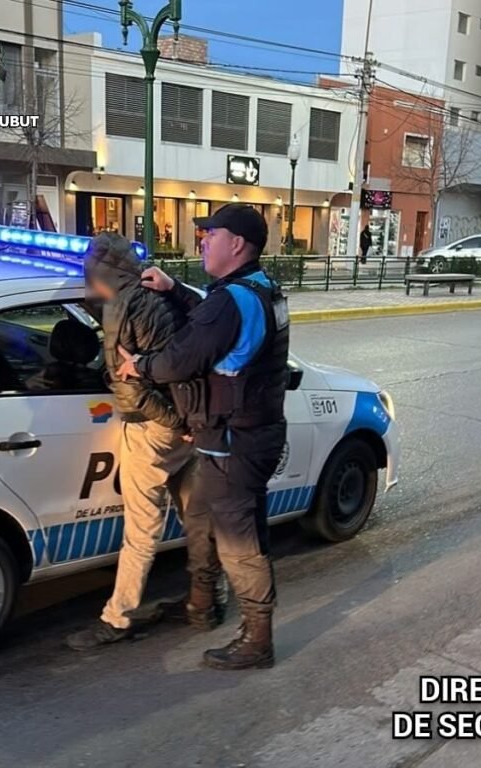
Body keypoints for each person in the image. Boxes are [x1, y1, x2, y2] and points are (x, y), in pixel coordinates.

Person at [116, 203, 290, 671]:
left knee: (237, 538)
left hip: (234, 440)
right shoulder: (259, 289)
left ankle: (257, 639)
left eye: (210, 234)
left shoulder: (233, 300)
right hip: (246, 434)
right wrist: (175, 289)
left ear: (236, 244)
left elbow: (182, 358)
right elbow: (214, 320)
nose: (202, 241)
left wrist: (138, 366)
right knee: (232, 526)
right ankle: (204, 603)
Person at [66, 232, 203, 650]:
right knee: (198, 519)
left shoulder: (119, 313)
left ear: (100, 273)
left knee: (141, 530)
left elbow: (129, 389)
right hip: (190, 419)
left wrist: (174, 422)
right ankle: (207, 601)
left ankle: (118, 618)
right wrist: (186, 422)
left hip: (155, 427)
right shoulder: (155, 291)